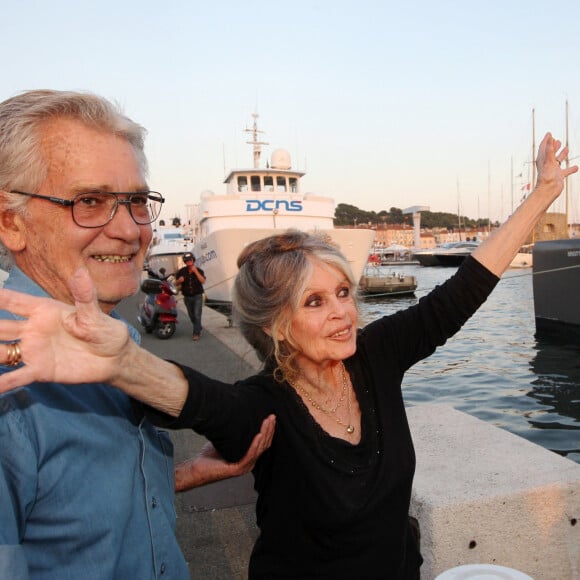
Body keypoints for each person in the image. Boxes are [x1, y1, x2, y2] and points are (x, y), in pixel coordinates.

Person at [0, 131, 575, 579]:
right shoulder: (265, 404)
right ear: (277, 325)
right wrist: (123, 363)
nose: (343, 313)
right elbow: (200, 401)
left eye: (344, 293)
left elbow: (460, 292)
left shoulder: (374, 356)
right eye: (317, 301)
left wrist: (542, 193)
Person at [0, 89, 274, 580]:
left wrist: (186, 475)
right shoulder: (11, 390)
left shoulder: (112, 339)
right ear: (10, 223)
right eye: (90, 201)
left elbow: (72, 512)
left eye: (137, 201)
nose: (130, 229)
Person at [175, 252, 206, 340]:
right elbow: (175, 283)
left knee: (197, 315)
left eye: (190, 260)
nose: (189, 261)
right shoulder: (181, 271)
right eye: (187, 260)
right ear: (185, 261)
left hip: (197, 296)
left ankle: (196, 333)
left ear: (193, 260)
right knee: (191, 315)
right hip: (187, 297)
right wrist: (179, 281)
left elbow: (203, 281)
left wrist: (195, 271)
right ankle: (198, 326)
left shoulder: (199, 271)